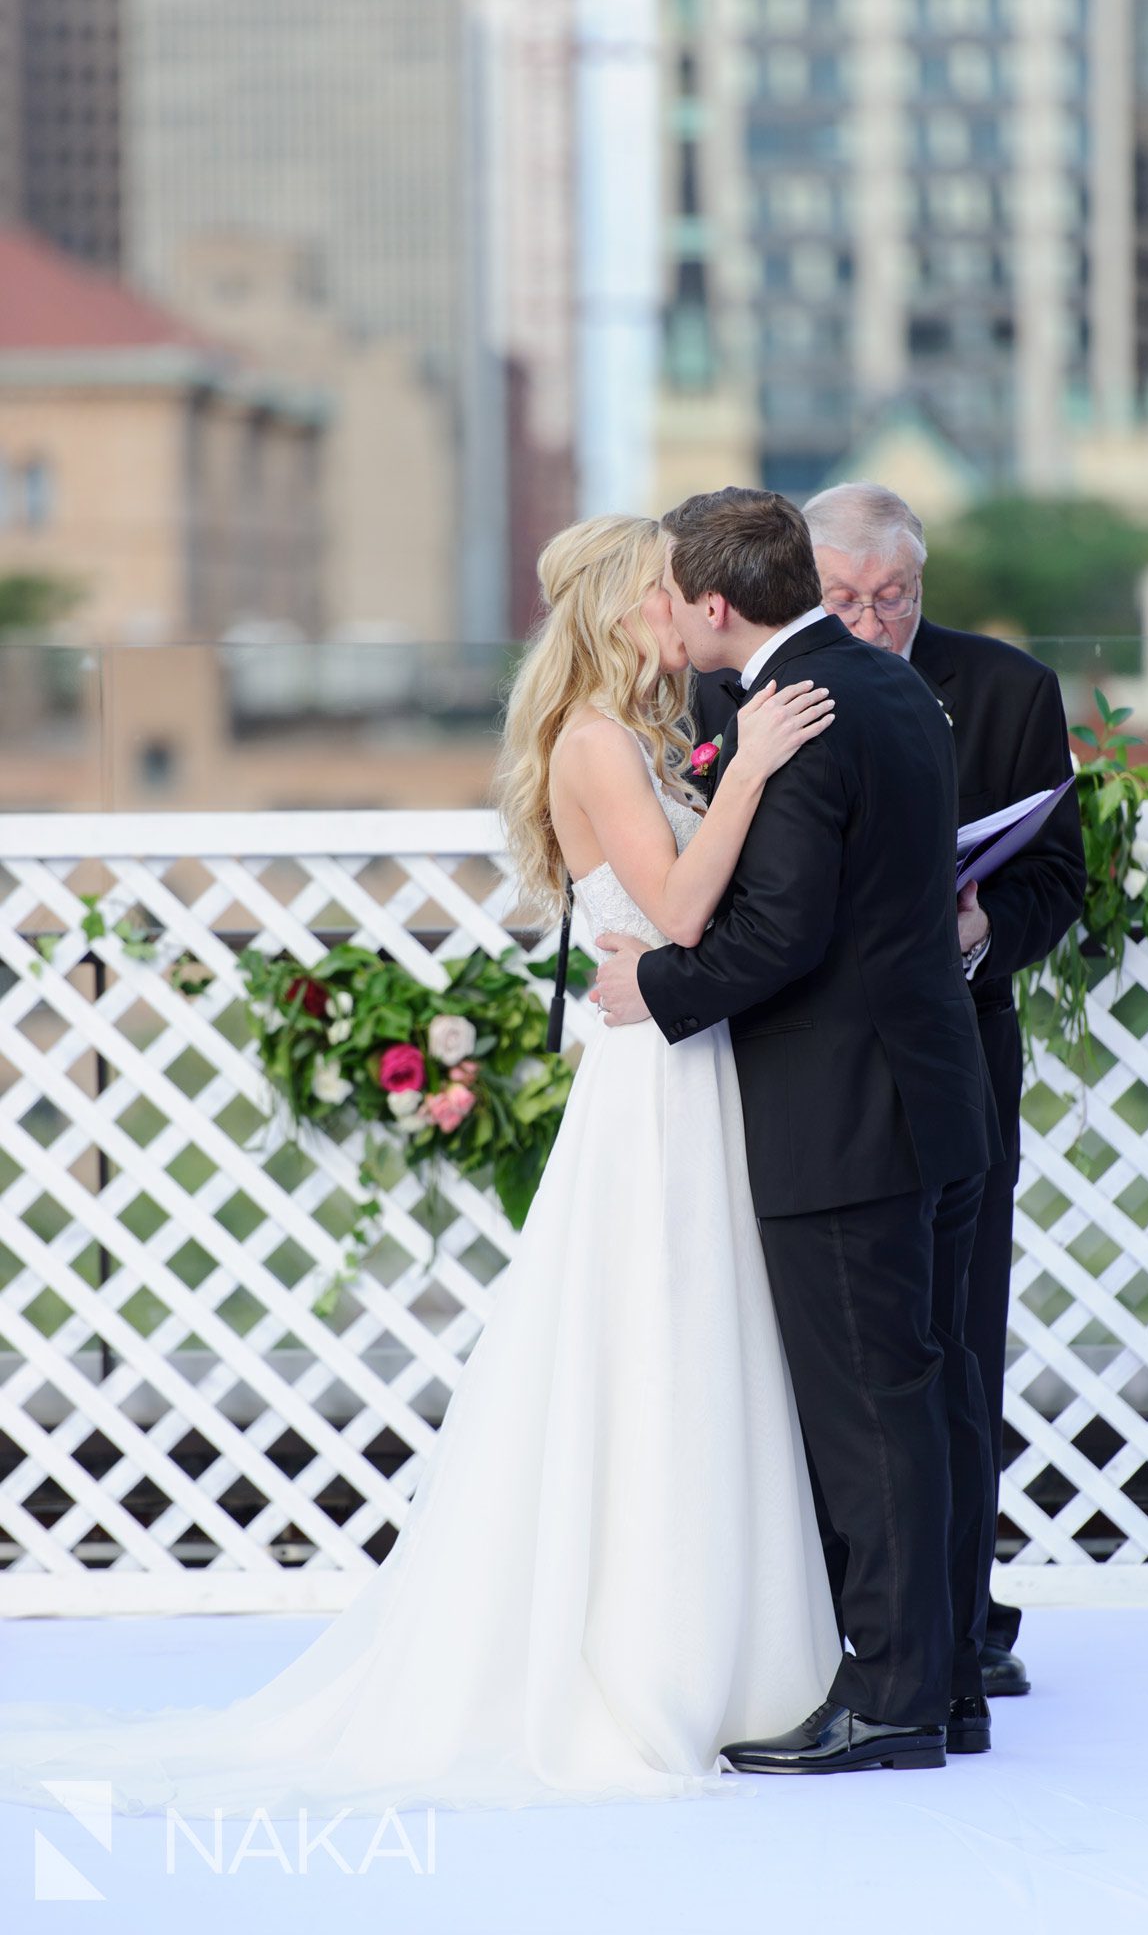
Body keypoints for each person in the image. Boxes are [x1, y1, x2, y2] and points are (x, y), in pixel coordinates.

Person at [0, 513, 844, 1819]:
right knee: (652, 1341)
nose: (685, 610)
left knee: (695, 1341)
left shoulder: (645, 738)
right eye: (666, 591)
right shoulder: (595, 742)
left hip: (680, 1058)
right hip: (652, 1082)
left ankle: (721, 1649)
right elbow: (676, 913)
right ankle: (652, 1660)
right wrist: (750, 776)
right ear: (630, 610)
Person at [594, 486, 1001, 1772]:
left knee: (872, 1409)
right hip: (931, 1095)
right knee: (928, 1396)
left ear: (715, 606)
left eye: (674, 592)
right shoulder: (889, 687)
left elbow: (780, 935)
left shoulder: (805, 715)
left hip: (845, 1116)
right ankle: (941, 1688)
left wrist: (644, 988)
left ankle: (885, 1701)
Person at [800, 480, 1087, 1695]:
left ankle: (961, 1625)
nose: (869, 623)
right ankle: (837, 1620)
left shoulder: (1008, 688)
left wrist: (978, 927)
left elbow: (1056, 876)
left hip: (957, 1053)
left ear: (923, 584)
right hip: (809, 1064)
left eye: (893, 598)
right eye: (843, 600)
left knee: (959, 1343)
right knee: (840, 1354)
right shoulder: (768, 685)